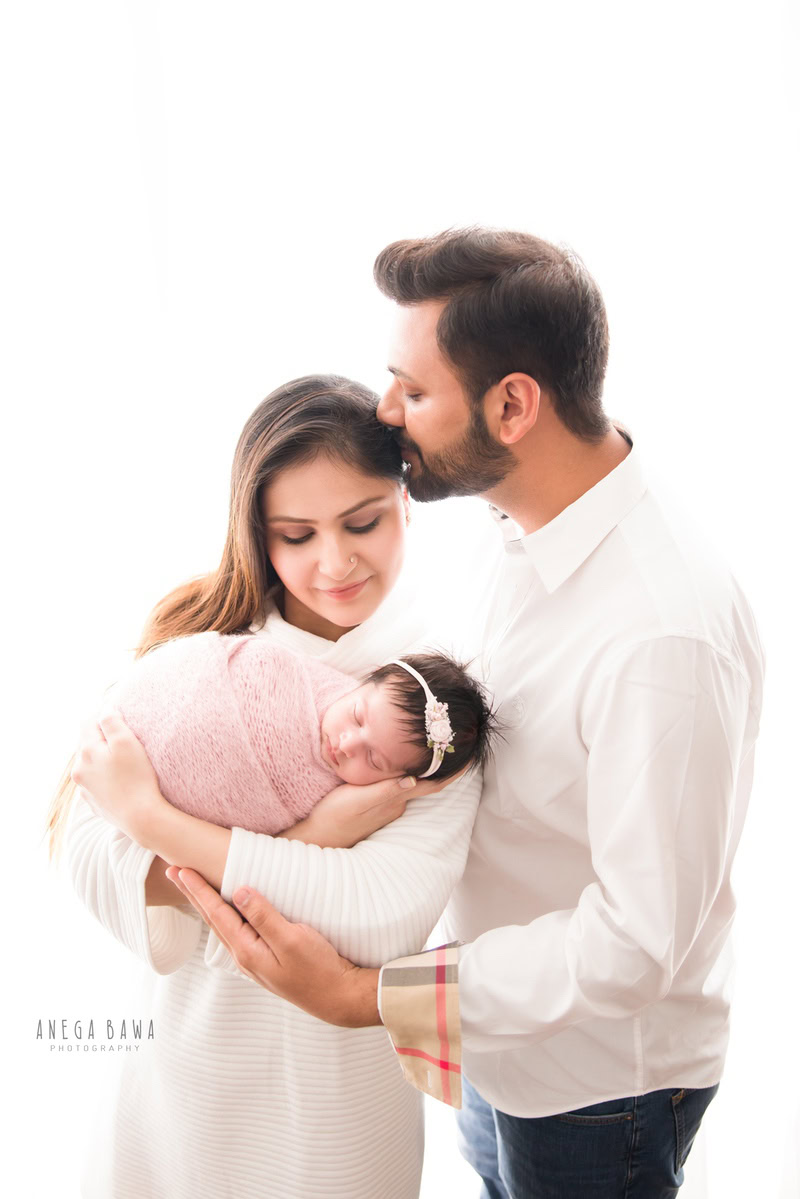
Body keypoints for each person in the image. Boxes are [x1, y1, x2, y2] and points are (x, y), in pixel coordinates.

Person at [153, 229, 765, 1199]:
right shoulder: (509, 528)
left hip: (595, 1088)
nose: (383, 411)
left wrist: (368, 997)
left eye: (411, 388)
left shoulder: (660, 633)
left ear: (511, 404)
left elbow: (634, 943)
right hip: (491, 1038)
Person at [55, 375, 487, 1199]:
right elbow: (86, 844)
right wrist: (315, 837)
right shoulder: (203, 649)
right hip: (178, 1076)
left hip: (333, 1110)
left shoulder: (434, 703)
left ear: (406, 501)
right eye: (297, 533)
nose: (335, 561)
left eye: (363, 521)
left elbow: (376, 913)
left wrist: (152, 821)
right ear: (257, 534)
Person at [99, 630, 496, 832]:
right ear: (361, 683)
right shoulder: (297, 674)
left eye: (374, 759)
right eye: (357, 717)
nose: (347, 744)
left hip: (148, 806)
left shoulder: (347, 806)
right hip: (141, 718)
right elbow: (252, 660)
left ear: (399, 779)